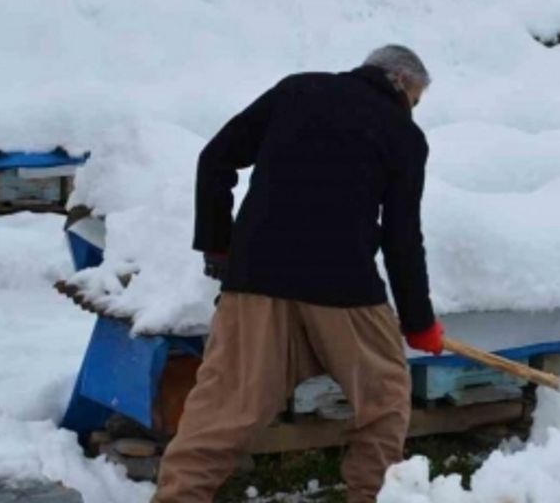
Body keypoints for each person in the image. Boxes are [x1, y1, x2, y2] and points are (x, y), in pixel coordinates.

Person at [153, 45, 445, 503]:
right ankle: (374, 496)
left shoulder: (297, 90)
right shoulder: (403, 134)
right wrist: (419, 323)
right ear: (403, 84)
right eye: (417, 101)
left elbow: (215, 158)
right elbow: (402, 236)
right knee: (384, 401)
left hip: (255, 279)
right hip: (343, 289)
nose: (413, 111)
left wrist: (217, 243)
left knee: (223, 409)